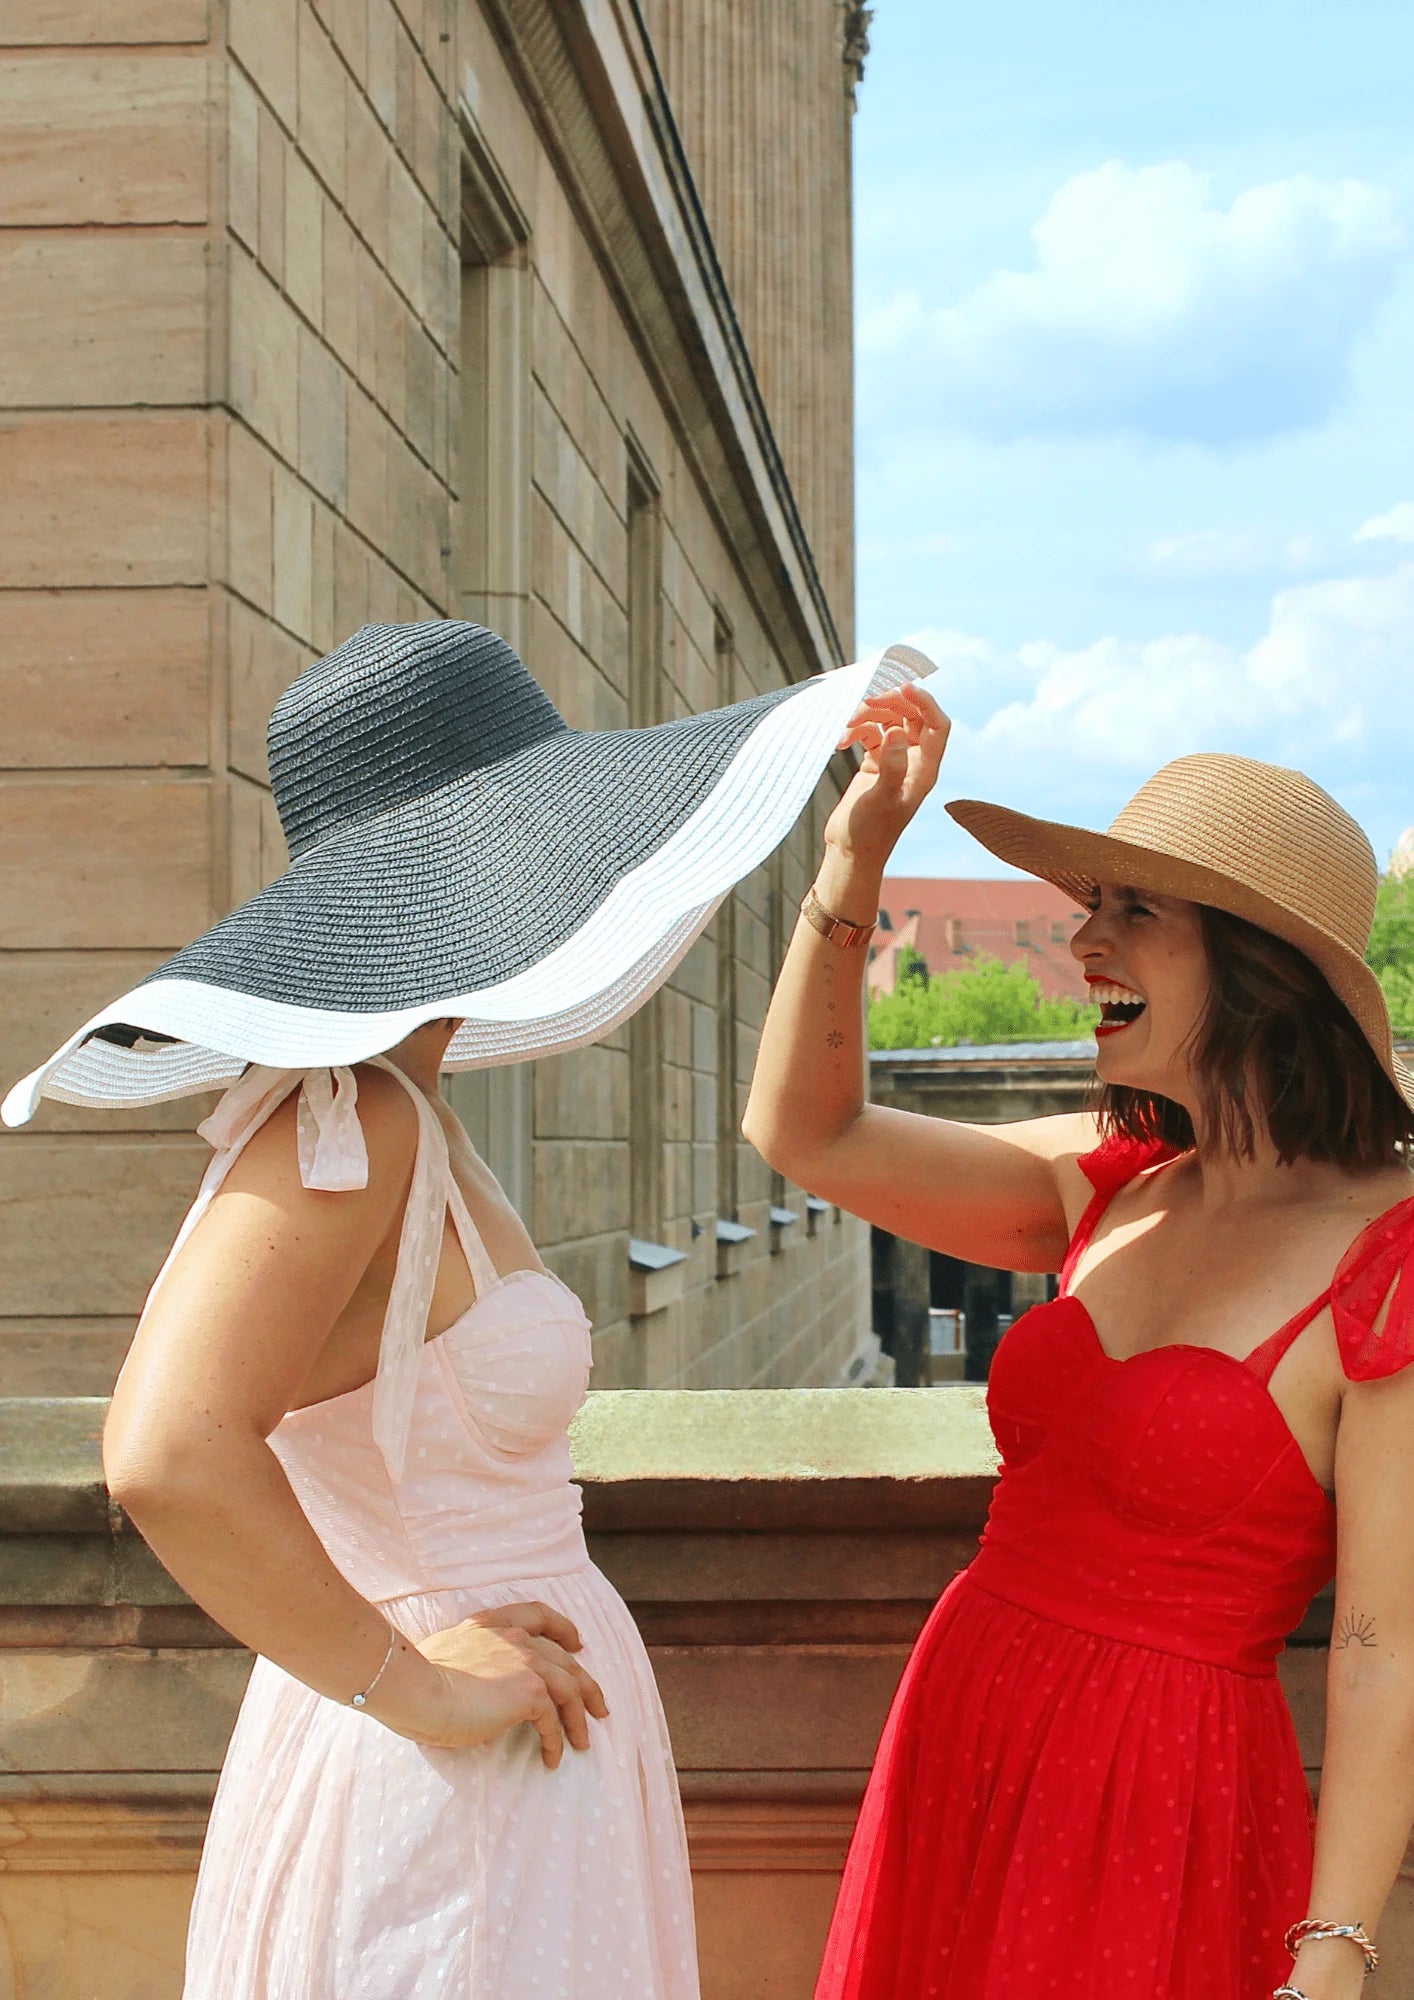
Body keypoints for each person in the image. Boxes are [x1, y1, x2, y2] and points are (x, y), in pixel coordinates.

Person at [4, 619, 924, 1999]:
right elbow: (166, 1450)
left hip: (501, 1747)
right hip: (442, 1771)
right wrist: (419, 1683)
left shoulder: (410, 1112)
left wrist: (851, 857)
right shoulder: (353, 1116)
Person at [742, 679, 1414, 2000]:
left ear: (1259, 971)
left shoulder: (1386, 1253)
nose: (1080, 939)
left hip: (1164, 1791)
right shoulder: (1102, 1186)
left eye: (1132, 912)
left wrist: (1334, 1949)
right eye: (1087, 906)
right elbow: (803, 1135)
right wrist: (854, 853)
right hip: (966, 1719)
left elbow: (1383, 1642)